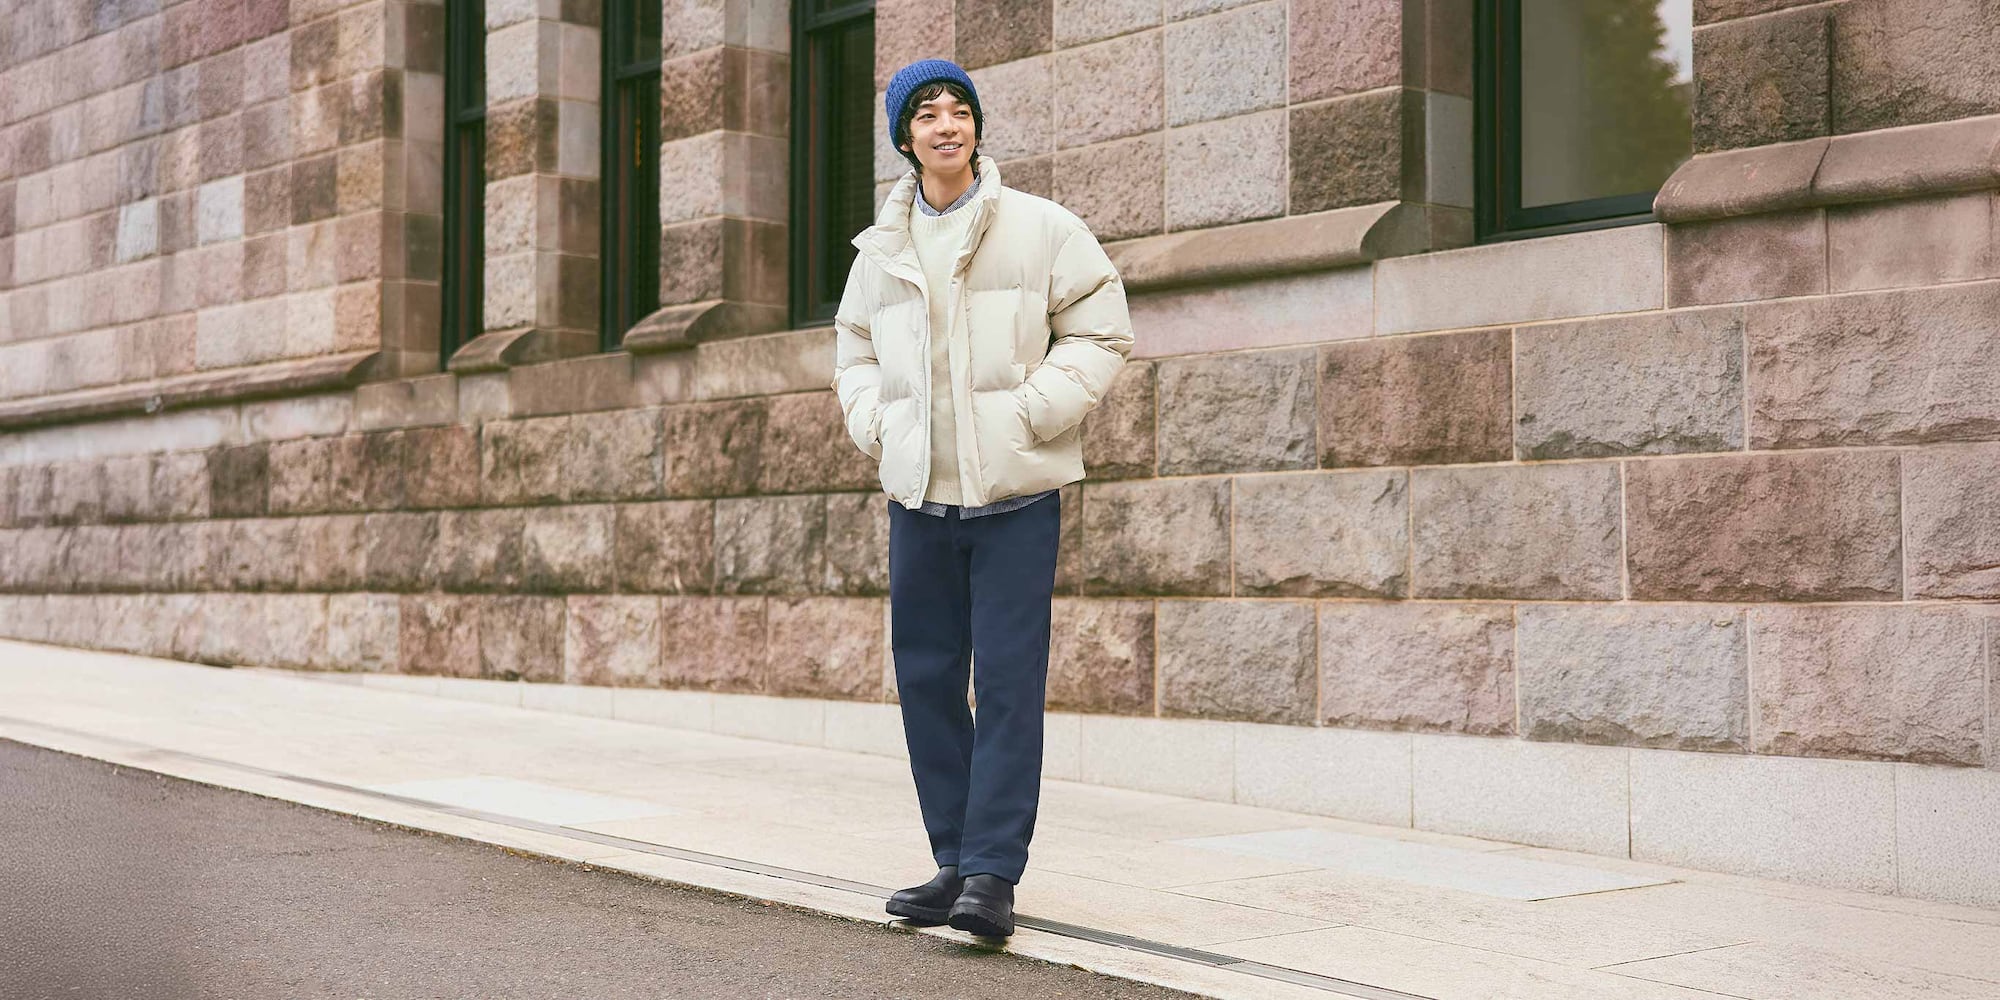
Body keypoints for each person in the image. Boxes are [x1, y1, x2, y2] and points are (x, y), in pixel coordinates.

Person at [829, 58, 1134, 938]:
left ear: (976, 130)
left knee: (1005, 684)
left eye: (959, 110)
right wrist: (876, 425)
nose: (946, 124)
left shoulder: (1042, 227)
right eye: (927, 113)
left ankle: (994, 876)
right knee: (926, 681)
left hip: (1013, 498)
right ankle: (954, 860)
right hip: (918, 499)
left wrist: (1037, 410)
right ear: (904, 138)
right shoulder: (878, 252)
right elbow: (852, 348)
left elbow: (1102, 326)